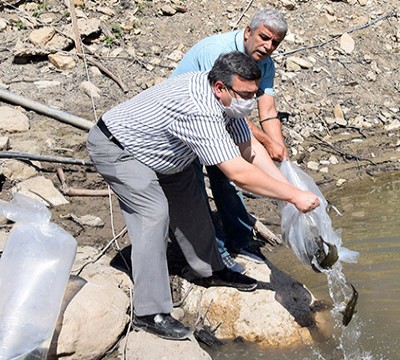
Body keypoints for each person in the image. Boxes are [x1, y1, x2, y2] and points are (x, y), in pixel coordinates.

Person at [87, 51, 319, 340]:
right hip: (120, 148)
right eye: (246, 94)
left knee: (194, 207)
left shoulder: (229, 103)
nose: (251, 100)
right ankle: (150, 311)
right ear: (221, 87)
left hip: (168, 152)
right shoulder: (198, 108)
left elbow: (248, 152)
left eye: (255, 93)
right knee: (154, 214)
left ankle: (210, 270)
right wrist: (292, 196)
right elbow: (238, 173)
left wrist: (289, 188)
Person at [171, 8, 288, 269]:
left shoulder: (265, 63)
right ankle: (214, 252)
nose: (268, 47)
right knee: (196, 187)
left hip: (221, 118)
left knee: (227, 180)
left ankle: (240, 240)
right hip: (187, 120)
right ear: (248, 32)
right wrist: (266, 143)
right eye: (264, 37)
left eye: (275, 43)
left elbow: (267, 110)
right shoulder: (220, 53)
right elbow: (232, 106)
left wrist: (278, 146)